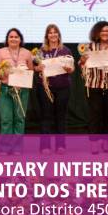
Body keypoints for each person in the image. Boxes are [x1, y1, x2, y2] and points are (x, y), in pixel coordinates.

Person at [79, 21, 108, 152]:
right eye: (102, 31)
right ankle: (94, 143)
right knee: (95, 115)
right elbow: (81, 65)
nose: (105, 33)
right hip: (94, 85)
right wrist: (82, 61)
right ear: (97, 32)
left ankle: (106, 142)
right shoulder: (89, 47)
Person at [34, 23, 74, 152]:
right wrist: (38, 68)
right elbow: (35, 68)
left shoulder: (66, 50)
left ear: (58, 35)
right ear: (47, 36)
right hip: (45, 87)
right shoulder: (41, 51)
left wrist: (69, 69)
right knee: (46, 116)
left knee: (61, 116)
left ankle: (60, 145)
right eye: (50, 32)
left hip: (63, 87)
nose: (53, 35)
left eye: (55, 32)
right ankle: (45, 146)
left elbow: (72, 68)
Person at [0, 28, 34, 135]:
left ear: (20, 39)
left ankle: (17, 145)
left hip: (22, 90)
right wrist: (3, 74)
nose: (13, 39)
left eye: (16, 37)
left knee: (20, 119)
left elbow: (31, 71)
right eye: (11, 37)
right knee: (6, 120)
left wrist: (23, 77)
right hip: (6, 89)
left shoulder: (27, 53)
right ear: (7, 39)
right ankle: (6, 145)